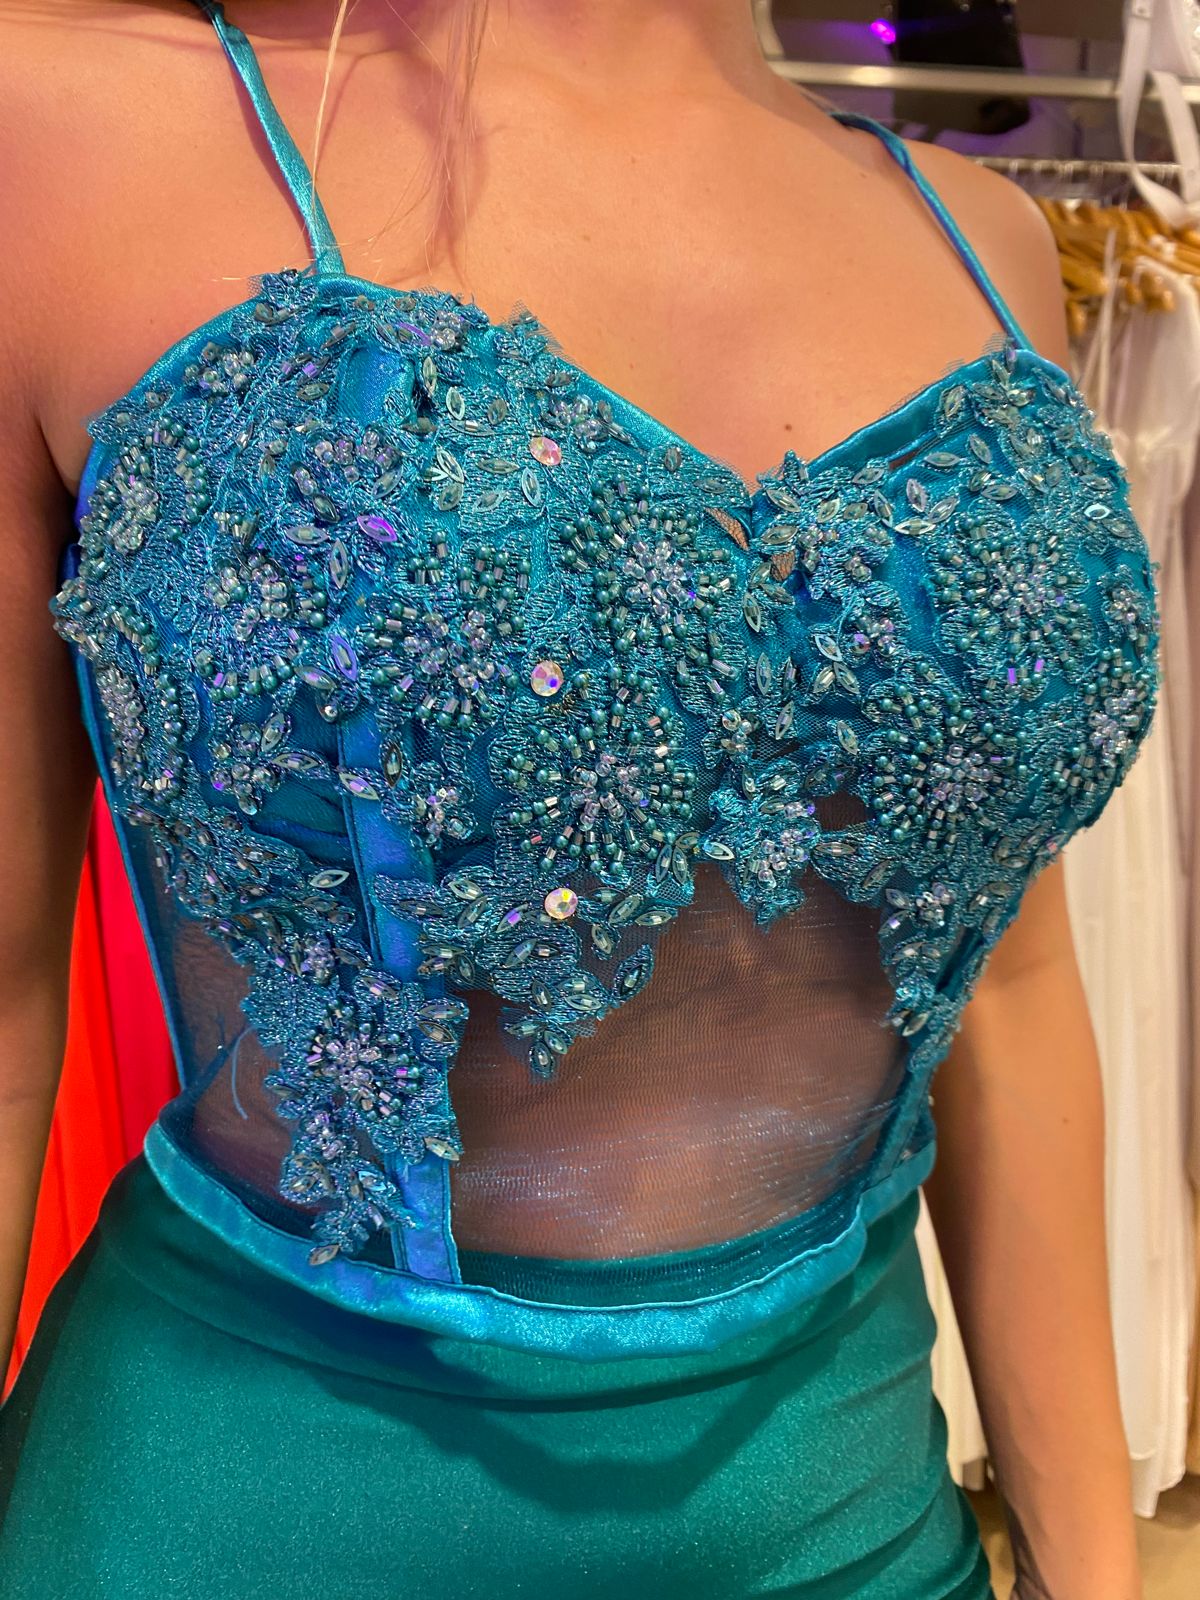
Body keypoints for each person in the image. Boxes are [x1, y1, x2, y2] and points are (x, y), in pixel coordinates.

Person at [0, 3, 1157, 1597]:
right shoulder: (66, 134)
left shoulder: (991, 248)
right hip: (241, 1523)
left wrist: (1095, 1568)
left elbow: (1012, 986)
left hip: (853, 1527)